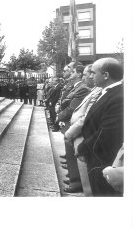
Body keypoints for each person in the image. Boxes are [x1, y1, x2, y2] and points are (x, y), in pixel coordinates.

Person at [76, 58, 123, 196]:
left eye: (93, 72)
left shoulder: (118, 97)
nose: (90, 76)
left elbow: (106, 132)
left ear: (106, 75)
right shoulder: (108, 91)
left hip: (102, 160)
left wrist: (83, 147)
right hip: (96, 156)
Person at [56, 64, 90, 193]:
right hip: (69, 122)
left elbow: (72, 108)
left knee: (73, 154)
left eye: (72, 71)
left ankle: (75, 182)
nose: (69, 73)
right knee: (70, 154)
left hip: (73, 124)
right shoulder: (74, 86)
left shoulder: (82, 88)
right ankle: (73, 178)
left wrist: (59, 116)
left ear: (79, 74)